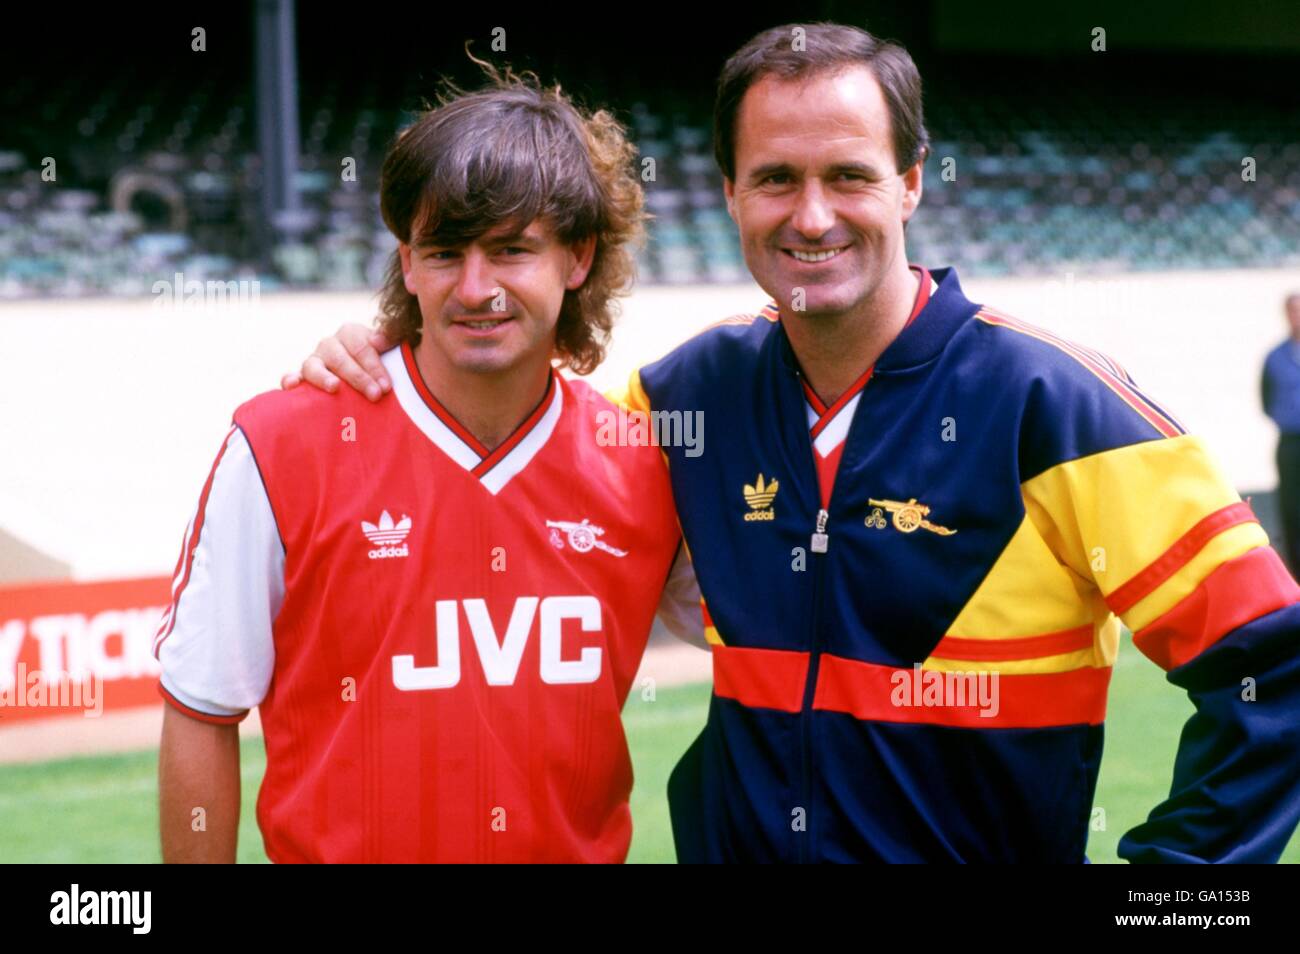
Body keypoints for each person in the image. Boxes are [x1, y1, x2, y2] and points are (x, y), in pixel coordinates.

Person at [288, 24, 1300, 862]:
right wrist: (384, 359)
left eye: (847, 176)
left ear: (909, 182)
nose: (811, 216)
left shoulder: (1058, 404)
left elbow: (1275, 673)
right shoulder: (676, 400)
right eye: (774, 178)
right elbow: (505, 462)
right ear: (728, 192)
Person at [156, 66, 701, 863]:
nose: (476, 288)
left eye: (512, 250)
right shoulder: (280, 445)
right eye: (445, 252)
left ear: (578, 258)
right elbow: (203, 708)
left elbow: (776, 647)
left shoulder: (643, 463)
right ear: (407, 263)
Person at [1261, 293, 1300, 575]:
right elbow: (1266, 398)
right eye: (1293, 312)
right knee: (1292, 505)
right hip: (1290, 442)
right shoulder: (1276, 357)